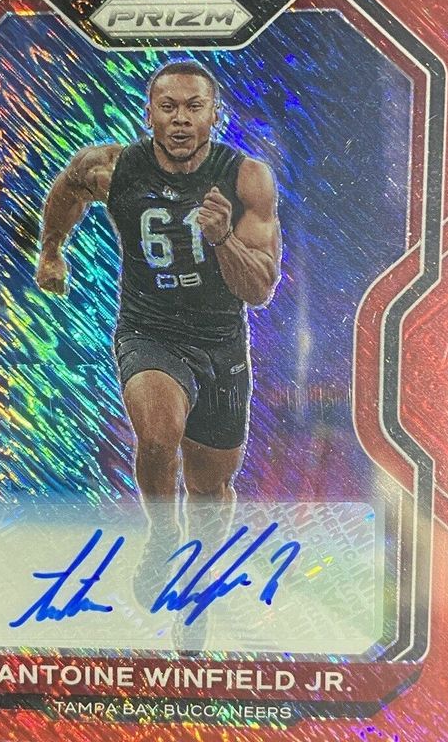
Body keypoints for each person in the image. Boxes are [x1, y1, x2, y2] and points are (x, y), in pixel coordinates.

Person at [36, 60, 281, 642]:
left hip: (220, 342)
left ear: (214, 115)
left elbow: (259, 290)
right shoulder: (112, 166)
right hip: (149, 330)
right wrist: (52, 249)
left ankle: (196, 589)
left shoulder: (246, 178)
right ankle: (164, 534)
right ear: (149, 115)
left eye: (194, 107)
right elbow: (68, 188)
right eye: (168, 107)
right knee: (157, 436)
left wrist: (222, 238)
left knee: (210, 490)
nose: (180, 119)